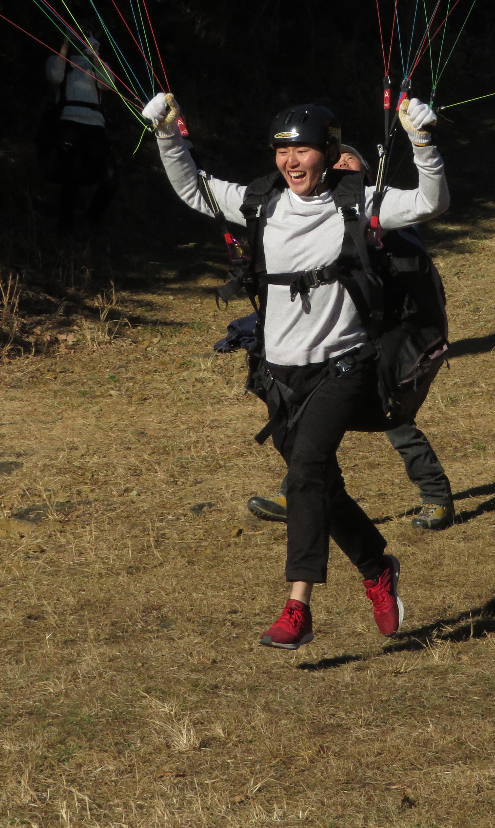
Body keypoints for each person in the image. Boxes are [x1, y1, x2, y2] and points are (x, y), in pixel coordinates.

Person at [144, 92, 448, 650]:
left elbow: (431, 200)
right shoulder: (262, 203)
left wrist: (423, 143)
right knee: (322, 489)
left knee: (306, 469)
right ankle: (378, 568)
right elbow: (194, 188)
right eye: (283, 151)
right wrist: (167, 133)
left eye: (303, 150)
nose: (291, 161)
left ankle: (297, 607)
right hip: (281, 376)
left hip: (344, 366)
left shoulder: (360, 204)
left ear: (329, 154)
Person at [246, 143, 456, 531]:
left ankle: (436, 495)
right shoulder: (323, 218)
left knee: (394, 417)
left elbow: (413, 283)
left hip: (380, 340)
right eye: (337, 164)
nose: (343, 167)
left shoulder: (385, 220)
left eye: (351, 163)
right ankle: (297, 491)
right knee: (307, 419)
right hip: (333, 340)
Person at [44, 36, 118, 233]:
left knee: (111, 178)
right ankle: (65, 227)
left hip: (96, 126)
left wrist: (95, 55)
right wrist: (66, 44)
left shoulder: (98, 64)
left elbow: (108, 84)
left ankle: (91, 220)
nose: (81, 38)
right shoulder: (57, 60)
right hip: (69, 122)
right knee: (72, 176)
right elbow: (54, 77)